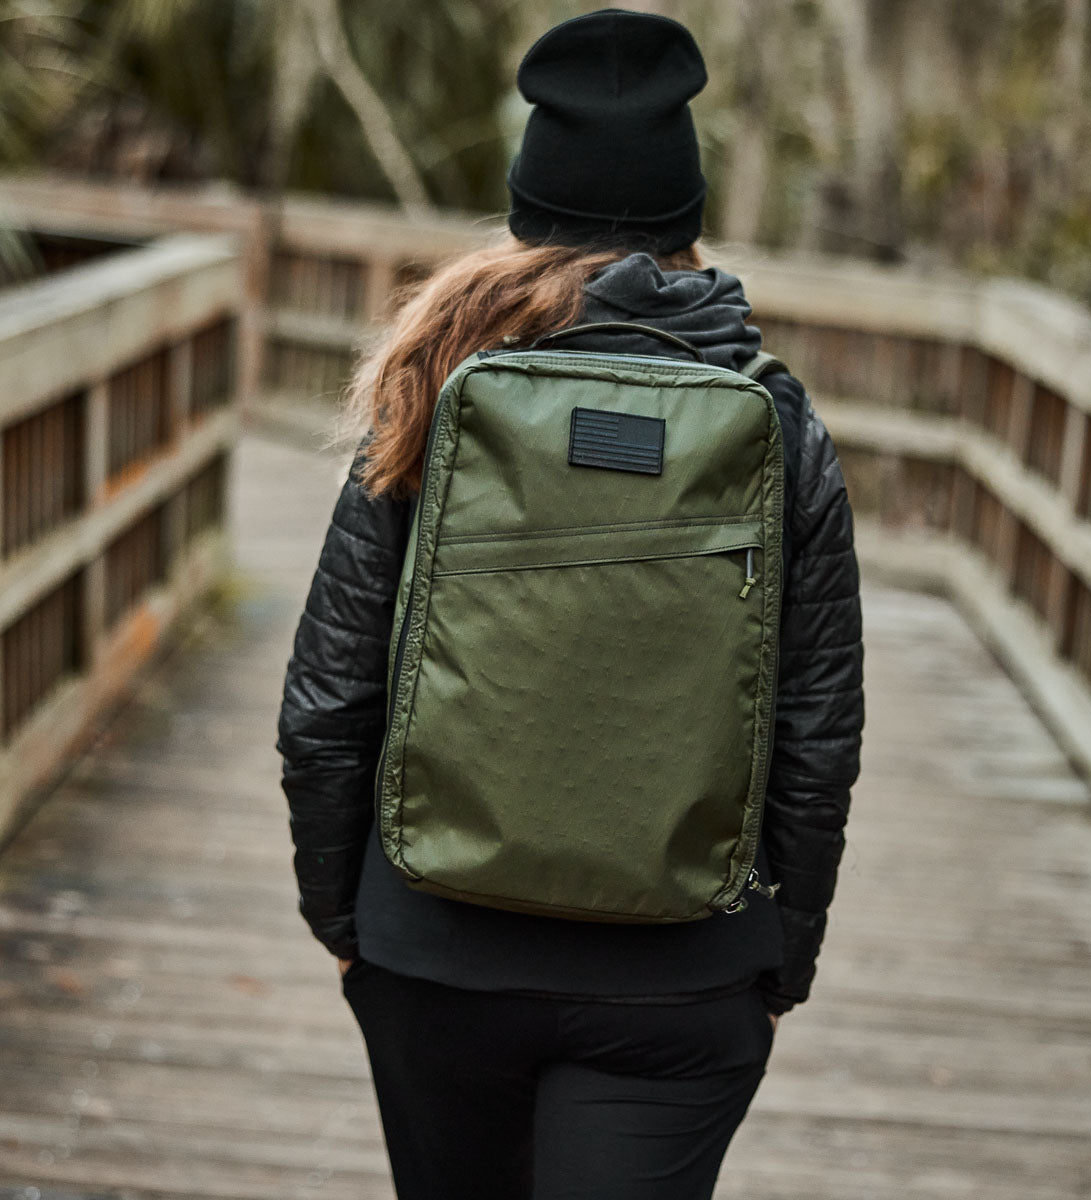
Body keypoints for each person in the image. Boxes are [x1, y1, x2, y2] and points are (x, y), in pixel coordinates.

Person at [277, 9, 864, 1199]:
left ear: (527, 198)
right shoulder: (776, 420)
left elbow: (328, 698)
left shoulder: (431, 382)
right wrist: (776, 960)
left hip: (436, 952)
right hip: (682, 976)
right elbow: (816, 728)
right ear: (684, 212)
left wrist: (351, 925)